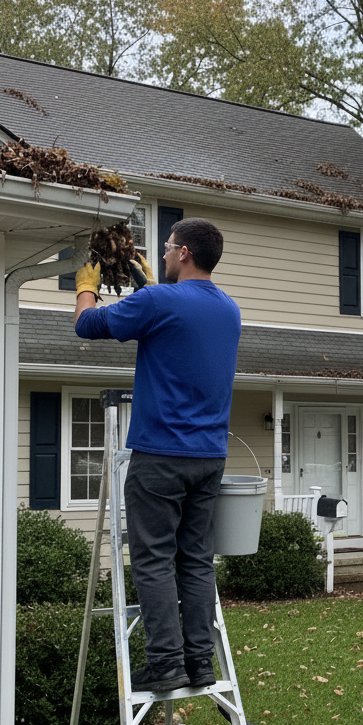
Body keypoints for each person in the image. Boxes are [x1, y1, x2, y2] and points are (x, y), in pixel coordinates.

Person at [73, 218, 241, 692]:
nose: (162, 254)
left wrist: (86, 287)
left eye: (167, 247)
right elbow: (177, 326)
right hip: (209, 458)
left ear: (184, 252)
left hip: (162, 456)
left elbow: (89, 325)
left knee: (152, 559)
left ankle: (166, 665)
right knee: (195, 560)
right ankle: (200, 662)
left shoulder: (158, 301)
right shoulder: (229, 309)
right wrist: (147, 285)